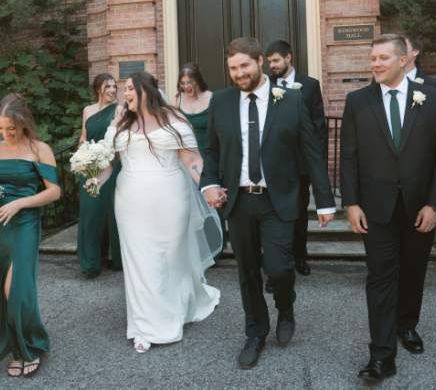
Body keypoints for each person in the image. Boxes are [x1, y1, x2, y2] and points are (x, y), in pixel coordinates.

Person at [200, 37, 336, 370]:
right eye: (232, 68)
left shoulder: (290, 99)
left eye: (244, 65)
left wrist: (325, 200)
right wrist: (209, 183)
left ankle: (285, 307)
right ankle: (256, 333)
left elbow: (311, 151)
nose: (238, 73)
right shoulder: (221, 100)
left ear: (260, 62)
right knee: (247, 272)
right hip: (240, 201)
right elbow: (212, 150)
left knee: (279, 268)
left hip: (279, 201)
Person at [340, 34, 436, 382]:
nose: (375, 64)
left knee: (414, 270)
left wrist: (434, 204)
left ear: (403, 60)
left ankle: (407, 325)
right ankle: (381, 356)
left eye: (382, 58)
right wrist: (352, 203)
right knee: (380, 278)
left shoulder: (433, 98)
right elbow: (349, 158)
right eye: (372, 58)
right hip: (376, 208)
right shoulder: (357, 101)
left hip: (420, 206)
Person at [94, 72, 222, 353]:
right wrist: (97, 180)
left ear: (146, 90)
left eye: (129, 88)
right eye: (124, 89)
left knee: (170, 256)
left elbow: (191, 159)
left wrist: (208, 186)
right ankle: (146, 325)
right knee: (140, 261)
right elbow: (110, 161)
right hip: (129, 199)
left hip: (170, 196)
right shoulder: (119, 122)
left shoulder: (174, 120)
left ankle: (181, 304)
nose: (124, 93)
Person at [0, 94, 60, 378]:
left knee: (16, 290)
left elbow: (54, 191)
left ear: (24, 122)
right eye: (0, 128)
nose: (5, 134)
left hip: (24, 224)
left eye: (10, 129)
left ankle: (30, 346)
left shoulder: (40, 149)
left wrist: (19, 203)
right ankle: (17, 350)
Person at [266, 40, 328, 281]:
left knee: (300, 213)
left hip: (300, 166)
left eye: (276, 61)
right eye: (269, 62)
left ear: (288, 58)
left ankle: (300, 257)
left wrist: (313, 165)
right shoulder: (264, 85)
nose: (272, 66)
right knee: (272, 215)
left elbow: (318, 128)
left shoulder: (310, 85)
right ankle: (274, 265)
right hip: (272, 164)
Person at [174, 63, 224, 257]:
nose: (187, 86)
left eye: (190, 82)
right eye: (183, 82)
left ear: (198, 80)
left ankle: (215, 247)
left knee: (210, 197)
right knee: (190, 203)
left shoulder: (212, 98)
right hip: (186, 157)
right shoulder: (176, 100)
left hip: (209, 153)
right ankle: (196, 250)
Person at [77, 74, 123, 277]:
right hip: (89, 167)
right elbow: (83, 138)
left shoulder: (120, 110)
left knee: (113, 212)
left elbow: (121, 140)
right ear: (98, 90)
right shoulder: (88, 110)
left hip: (112, 165)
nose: (112, 90)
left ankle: (116, 257)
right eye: (108, 87)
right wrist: (80, 159)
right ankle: (91, 261)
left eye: (114, 86)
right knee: (92, 212)